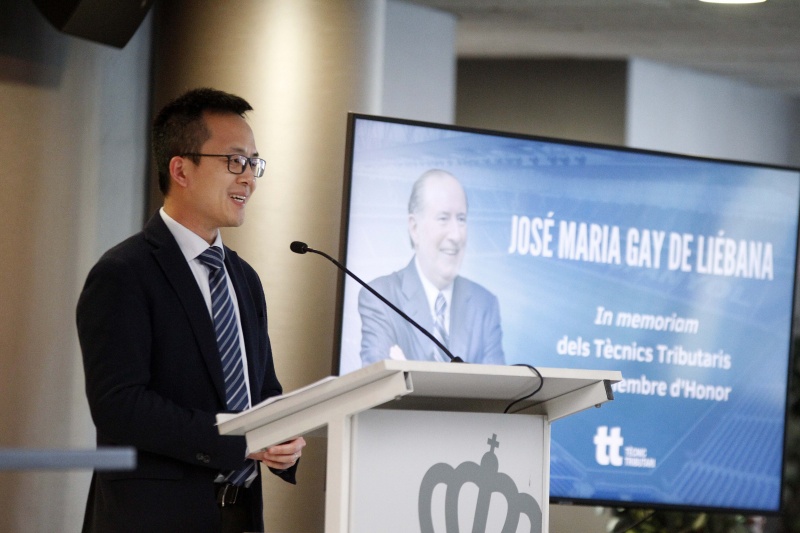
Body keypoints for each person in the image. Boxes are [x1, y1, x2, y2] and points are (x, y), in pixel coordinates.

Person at [77, 88, 306, 533]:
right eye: (234, 161)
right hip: (153, 518)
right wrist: (235, 441)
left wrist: (283, 436)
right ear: (181, 169)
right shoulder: (124, 273)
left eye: (254, 163)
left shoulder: (244, 279)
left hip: (240, 513)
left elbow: (263, 392)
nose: (249, 179)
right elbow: (119, 407)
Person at [358, 169, 504, 366]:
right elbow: (379, 383)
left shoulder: (484, 304)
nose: (456, 235)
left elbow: (498, 392)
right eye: (443, 218)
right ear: (414, 228)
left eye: (461, 219)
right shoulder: (380, 297)